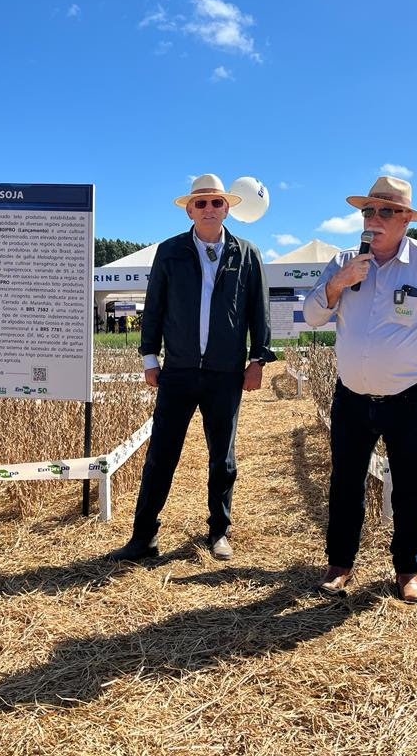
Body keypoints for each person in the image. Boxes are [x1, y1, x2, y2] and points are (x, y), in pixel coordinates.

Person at [303, 175, 417, 603]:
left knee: (411, 485)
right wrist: (337, 282)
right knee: (345, 482)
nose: (374, 219)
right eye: (368, 211)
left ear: (405, 220)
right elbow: (311, 317)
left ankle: (407, 570)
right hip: (352, 397)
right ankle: (339, 565)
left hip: (410, 398)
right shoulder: (346, 261)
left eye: (386, 211)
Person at [108, 174, 276, 563]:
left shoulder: (247, 253)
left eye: (216, 203)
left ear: (227, 207)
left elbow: (258, 311)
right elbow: (155, 307)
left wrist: (257, 360)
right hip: (179, 371)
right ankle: (143, 537)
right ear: (189, 209)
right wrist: (150, 357)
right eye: (200, 203)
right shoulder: (170, 252)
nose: (208, 209)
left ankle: (219, 532)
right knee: (161, 455)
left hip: (225, 373)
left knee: (223, 457)